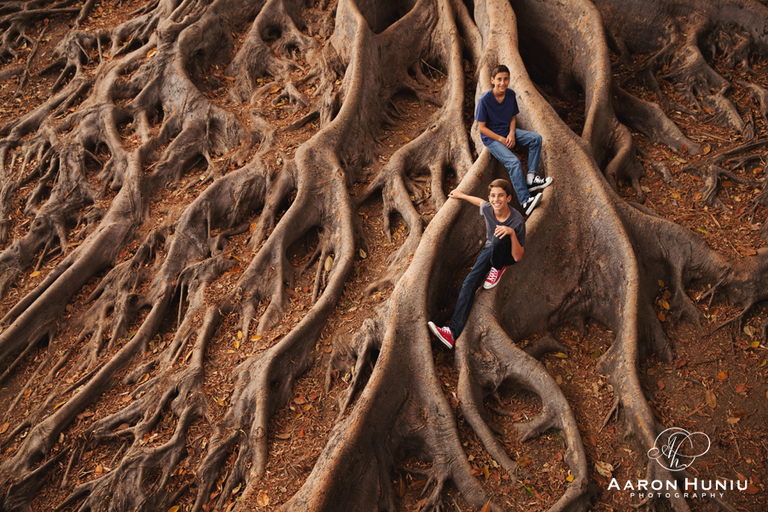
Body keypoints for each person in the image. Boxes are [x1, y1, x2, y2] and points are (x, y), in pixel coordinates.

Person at [428, 179, 525, 349]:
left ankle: (497, 267)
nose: (496, 200)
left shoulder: (517, 221)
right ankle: (452, 332)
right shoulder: (488, 208)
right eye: (493, 196)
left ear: (509, 198)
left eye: (501, 196)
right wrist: (462, 195)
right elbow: (480, 202)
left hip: (508, 253)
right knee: (468, 283)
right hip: (489, 251)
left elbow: (518, 257)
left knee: (497, 238)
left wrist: (511, 234)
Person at [475, 64, 551, 215]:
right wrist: (501, 139)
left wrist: (511, 134)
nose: (502, 83)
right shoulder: (485, 100)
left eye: (505, 79)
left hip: (506, 131)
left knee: (536, 139)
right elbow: (481, 128)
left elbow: (512, 117)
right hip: (492, 138)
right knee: (514, 162)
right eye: (499, 79)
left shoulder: (510, 94)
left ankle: (531, 178)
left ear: (509, 80)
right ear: (492, 80)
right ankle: (525, 201)